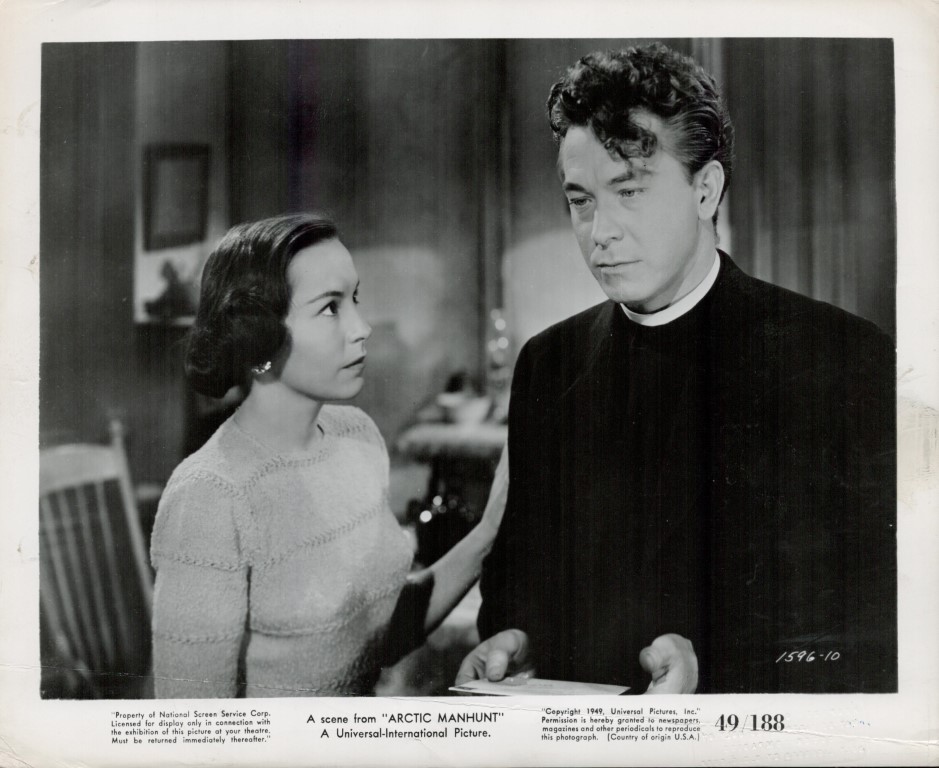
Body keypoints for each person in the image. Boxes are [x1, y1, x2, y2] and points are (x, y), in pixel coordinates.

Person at [457, 43, 896, 694]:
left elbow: (875, 635)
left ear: (705, 190)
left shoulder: (839, 357)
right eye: (580, 200)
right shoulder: (547, 364)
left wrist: (713, 672)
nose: (599, 232)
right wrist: (515, 637)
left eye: (629, 191)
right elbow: (516, 581)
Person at [150, 213, 508, 697]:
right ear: (258, 337)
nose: (362, 327)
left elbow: (381, 633)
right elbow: (193, 726)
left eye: (354, 299)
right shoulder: (210, 495)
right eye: (329, 308)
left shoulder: (356, 436)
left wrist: (490, 529)